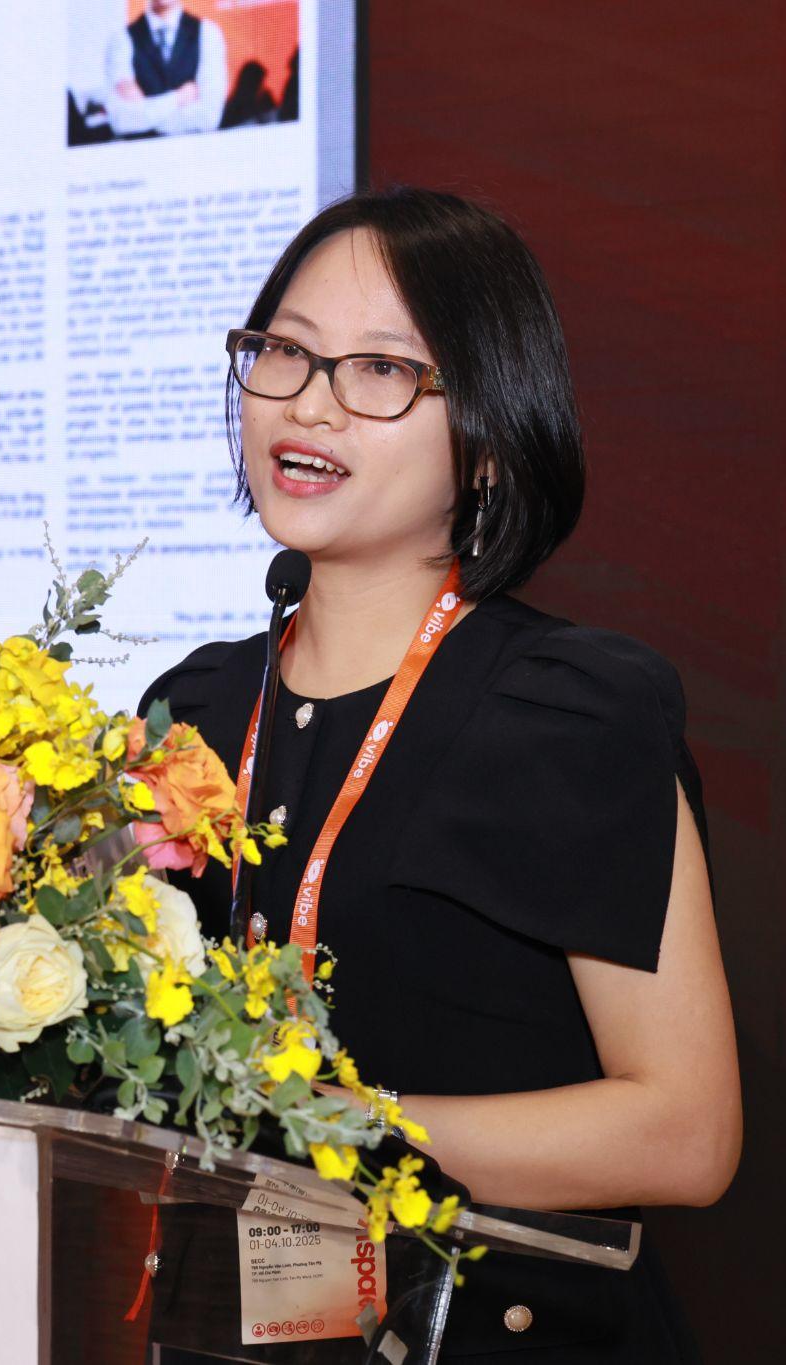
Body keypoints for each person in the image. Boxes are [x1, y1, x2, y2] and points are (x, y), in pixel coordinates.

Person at [138, 186, 742, 1361]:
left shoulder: (569, 711)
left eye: (379, 370)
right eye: (285, 352)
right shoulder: (193, 710)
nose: (309, 403)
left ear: (490, 442)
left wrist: (336, 1126)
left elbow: (687, 1133)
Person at [103, 0, 228, 138]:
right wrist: (177, 98)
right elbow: (122, 121)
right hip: (140, 149)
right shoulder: (121, 40)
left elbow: (208, 118)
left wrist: (145, 113)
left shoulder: (207, 33)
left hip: (194, 148)